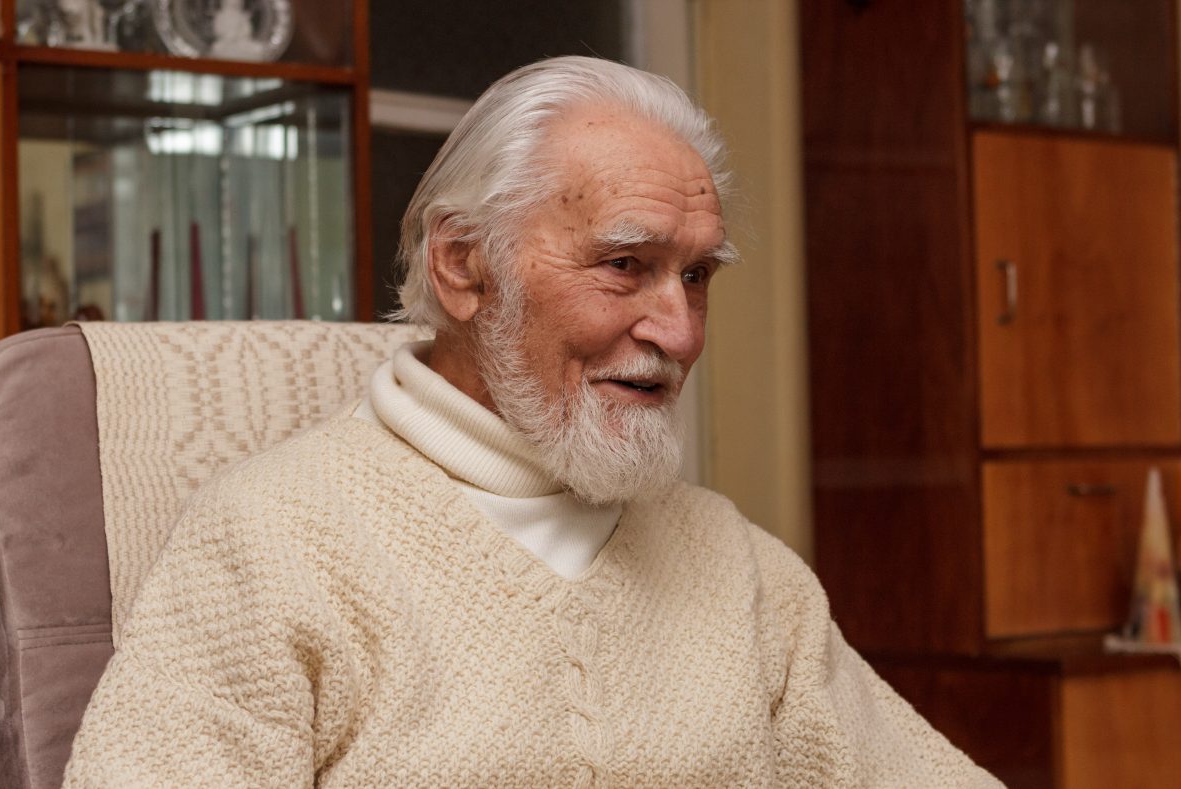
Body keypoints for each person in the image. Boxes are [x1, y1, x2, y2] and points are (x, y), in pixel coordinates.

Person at [63, 56, 1000, 787]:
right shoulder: (270, 542)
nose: (679, 331)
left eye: (697, 276)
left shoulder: (740, 568)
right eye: (625, 265)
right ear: (463, 265)